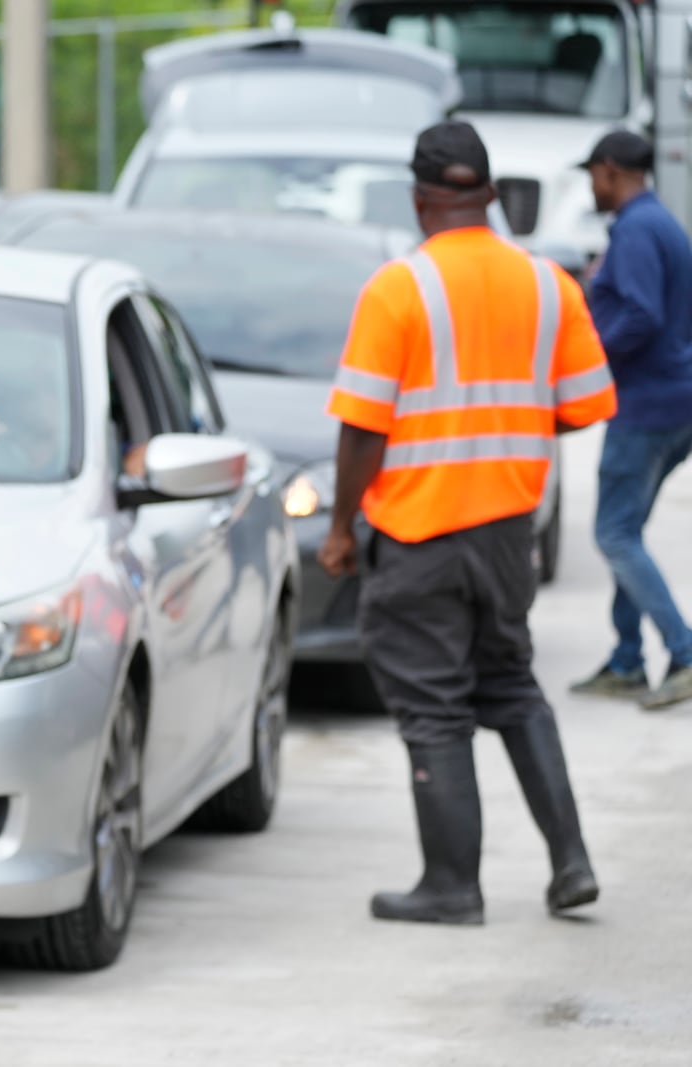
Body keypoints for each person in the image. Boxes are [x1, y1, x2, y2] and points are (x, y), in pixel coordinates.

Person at [318, 121, 617, 926]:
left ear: (421, 201)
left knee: (435, 708)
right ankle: (572, 863)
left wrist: (343, 528)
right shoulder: (550, 283)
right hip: (508, 533)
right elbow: (586, 403)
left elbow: (362, 427)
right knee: (514, 686)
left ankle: (452, 884)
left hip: (418, 536)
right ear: (489, 195)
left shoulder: (397, 288)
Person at [570, 129, 692, 710]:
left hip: (647, 407)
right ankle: (625, 661)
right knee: (627, 531)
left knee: (614, 534)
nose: (591, 185)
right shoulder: (656, 224)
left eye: (593, 173)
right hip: (671, 401)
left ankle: (685, 652)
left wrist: (589, 365)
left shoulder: (640, 231)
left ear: (612, 170)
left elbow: (641, 316)